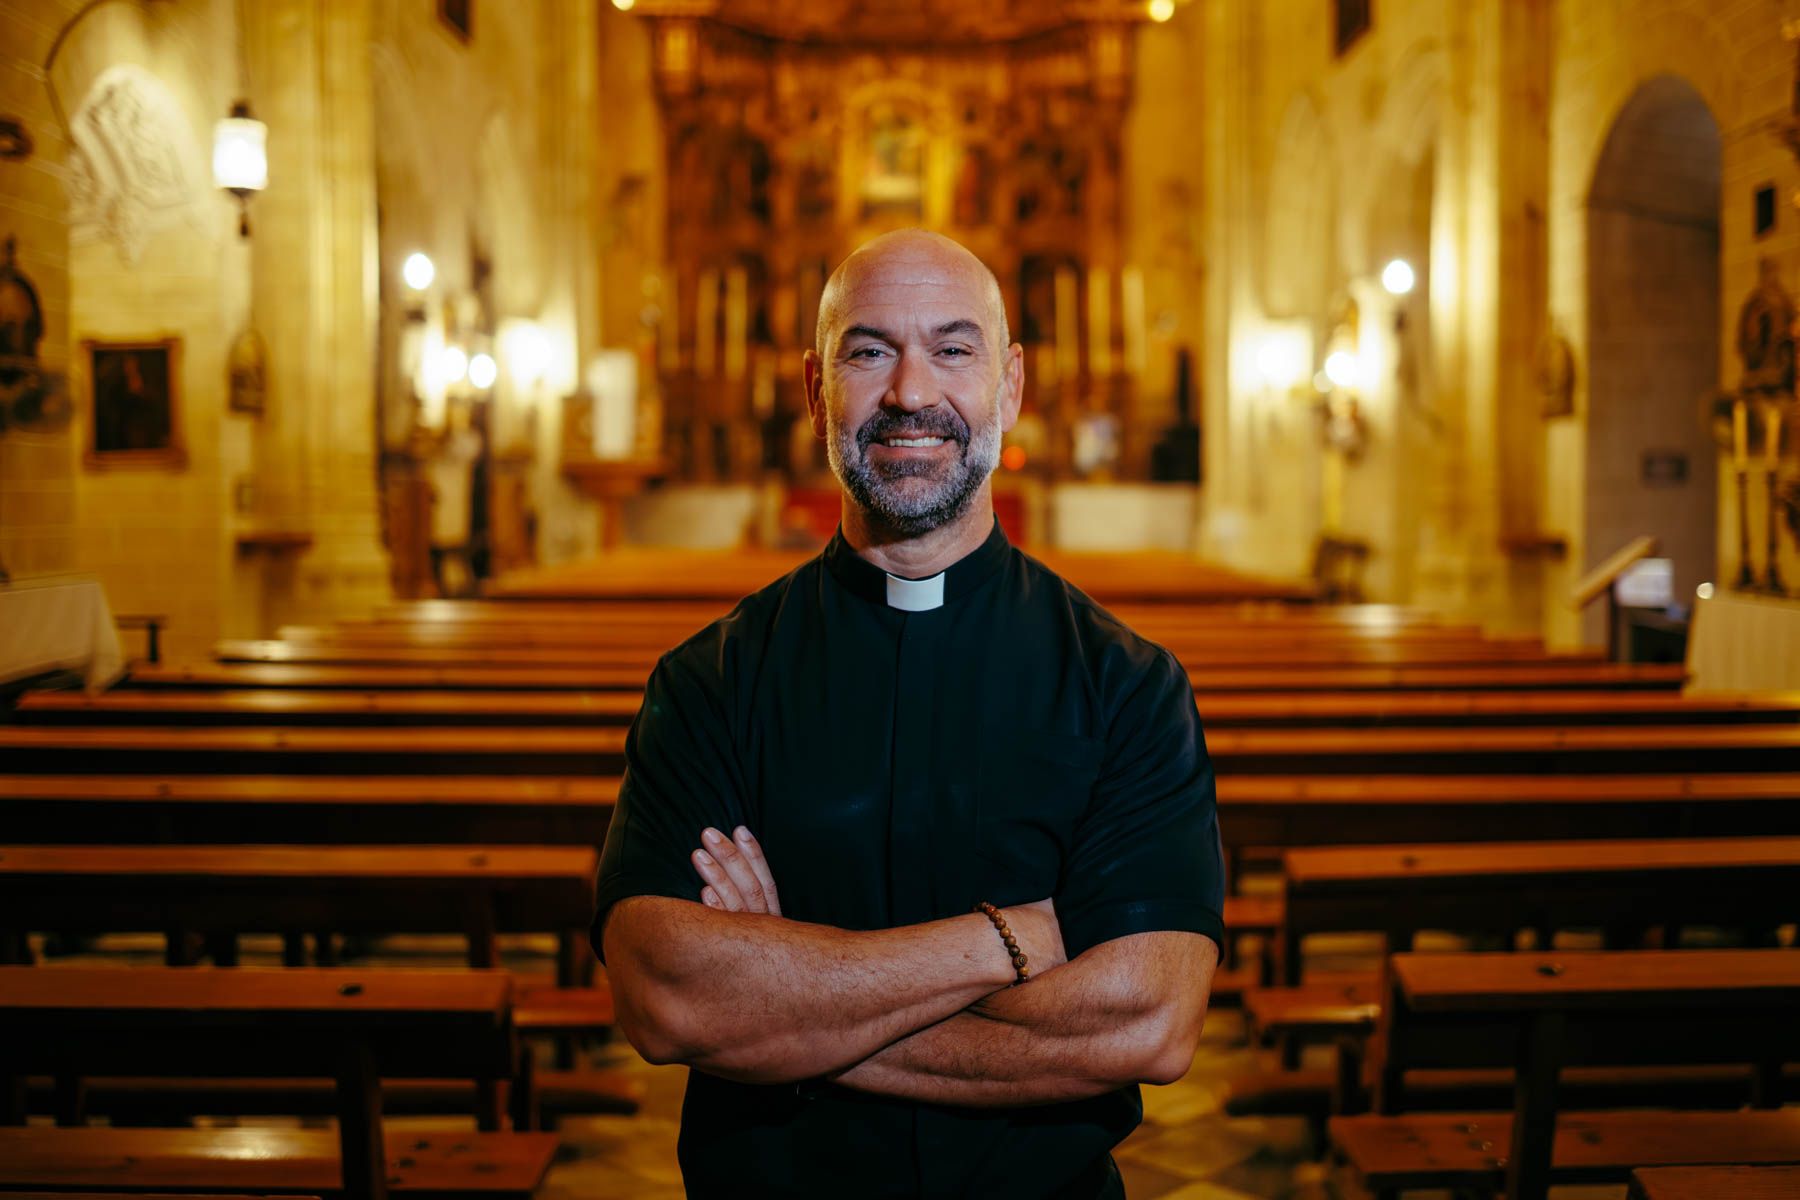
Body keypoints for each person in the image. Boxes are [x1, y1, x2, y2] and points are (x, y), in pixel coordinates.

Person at [592, 229, 1224, 1198]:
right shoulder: (708, 682)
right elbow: (671, 1001)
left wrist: (783, 1013)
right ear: (815, 388)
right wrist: (1010, 940)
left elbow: (1148, 1025)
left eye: (954, 348)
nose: (911, 393)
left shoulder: (1129, 685)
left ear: (1009, 386)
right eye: (869, 350)